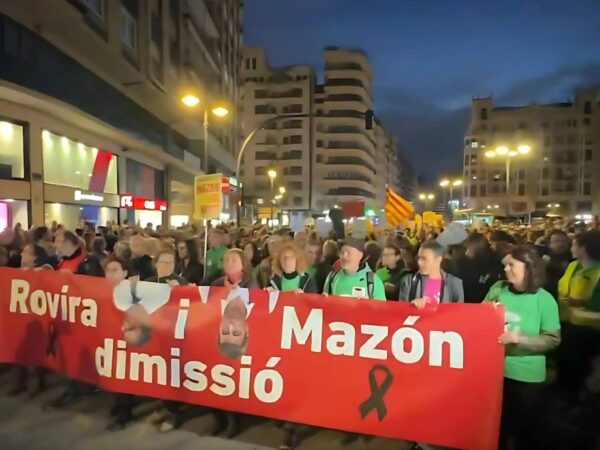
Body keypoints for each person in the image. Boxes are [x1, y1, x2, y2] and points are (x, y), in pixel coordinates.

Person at [484, 246, 560, 450]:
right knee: (496, 429)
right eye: (505, 264)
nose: (506, 268)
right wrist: (485, 314)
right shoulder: (497, 289)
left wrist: (520, 339)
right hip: (495, 373)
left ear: (528, 267)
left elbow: (552, 339)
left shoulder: (544, 300)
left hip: (527, 377)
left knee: (523, 433)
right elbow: (478, 319)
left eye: (511, 265)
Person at [211, 248, 259, 438]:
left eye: (234, 259)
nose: (229, 262)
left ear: (243, 264)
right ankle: (218, 419)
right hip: (222, 337)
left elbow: (256, 310)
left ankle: (234, 421)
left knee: (235, 382)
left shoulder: (252, 285)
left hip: (240, 342)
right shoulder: (216, 282)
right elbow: (206, 304)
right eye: (227, 259)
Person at [556, 229, 600, 403]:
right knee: (564, 363)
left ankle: (576, 400)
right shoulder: (573, 266)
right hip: (566, 322)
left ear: (584, 247)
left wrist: (581, 303)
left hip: (590, 330)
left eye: (574, 244)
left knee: (578, 366)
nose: (570, 247)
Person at [398, 240, 464, 305]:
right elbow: (401, 311)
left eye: (424, 259)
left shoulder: (454, 284)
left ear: (438, 259)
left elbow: (458, 313)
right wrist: (413, 307)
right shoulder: (408, 282)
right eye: (419, 258)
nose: (419, 262)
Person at [457, 232, 504, 303]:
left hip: (471, 303)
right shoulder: (496, 260)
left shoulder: (465, 264)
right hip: (489, 302)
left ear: (471, 246)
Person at [543, 230, 573, 301]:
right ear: (549, 244)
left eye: (564, 241)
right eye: (556, 241)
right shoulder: (544, 259)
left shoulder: (574, 258)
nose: (561, 244)